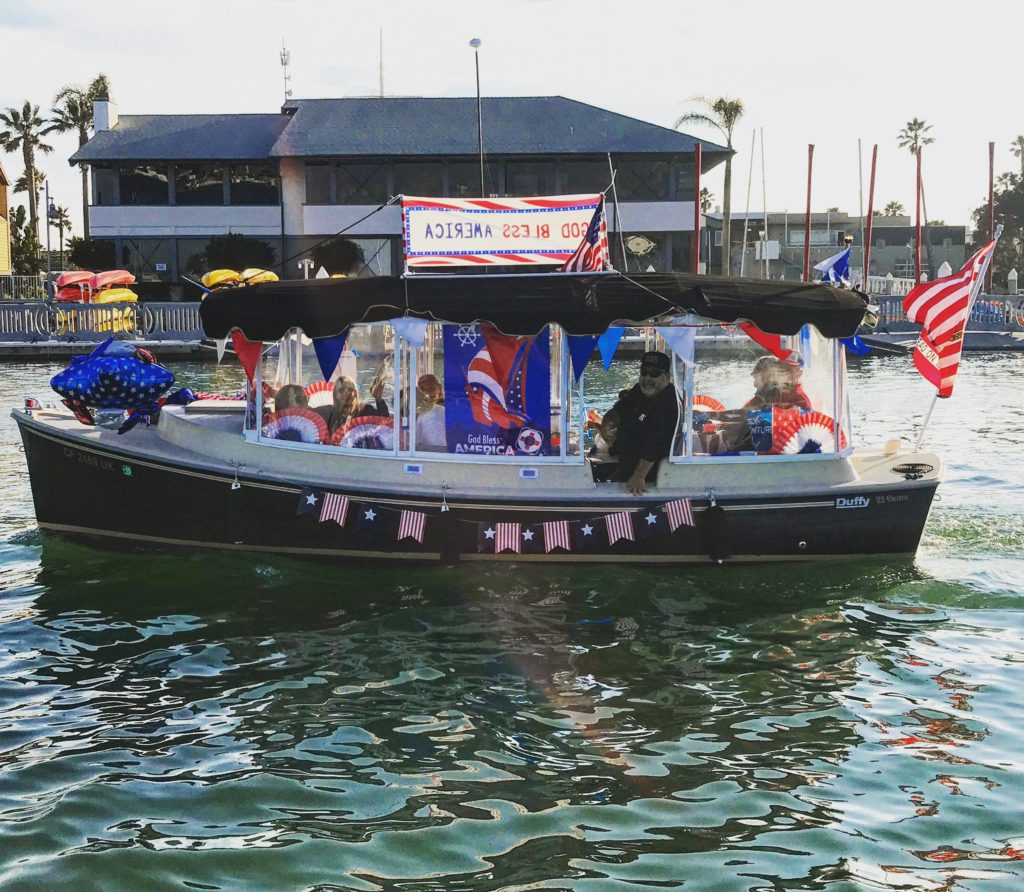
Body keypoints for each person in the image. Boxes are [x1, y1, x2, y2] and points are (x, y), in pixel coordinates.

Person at [608, 351, 680, 495]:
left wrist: (639, 476)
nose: (647, 378)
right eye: (644, 372)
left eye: (654, 374)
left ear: (667, 377)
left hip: (651, 475)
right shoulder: (640, 391)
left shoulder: (668, 403)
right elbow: (621, 409)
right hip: (625, 462)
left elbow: (655, 444)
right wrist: (607, 423)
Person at [743, 356, 811, 411]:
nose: (782, 372)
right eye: (780, 368)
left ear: (799, 373)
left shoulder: (799, 399)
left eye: (787, 369)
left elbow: (806, 422)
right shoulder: (772, 393)